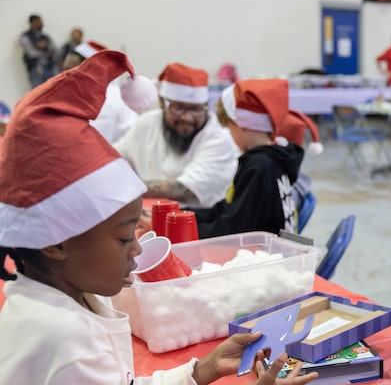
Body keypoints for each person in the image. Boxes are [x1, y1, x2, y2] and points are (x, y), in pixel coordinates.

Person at [0, 50, 318, 385]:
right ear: (56, 243)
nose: (138, 248)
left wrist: (203, 370)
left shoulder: (53, 300)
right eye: (124, 237)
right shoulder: (62, 339)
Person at [192, 80, 322, 238]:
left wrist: (187, 230)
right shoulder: (274, 157)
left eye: (230, 129)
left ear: (242, 123)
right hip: (273, 247)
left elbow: (232, 231)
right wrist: (186, 216)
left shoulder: (260, 166)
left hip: (269, 252)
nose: (230, 135)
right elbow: (229, 208)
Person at [115, 62, 238, 208]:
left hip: (199, 219)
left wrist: (130, 186)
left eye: (196, 109)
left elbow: (186, 190)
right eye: (179, 108)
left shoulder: (219, 137)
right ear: (162, 103)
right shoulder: (146, 124)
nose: (187, 118)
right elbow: (115, 158)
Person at [64, 40, 139, 143]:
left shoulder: (105, 100)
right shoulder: (89, 95)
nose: (62, 77)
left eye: (69, 72)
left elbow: (92, 145)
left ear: (88, 72)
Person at [19, 14, 58, 89]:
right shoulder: (25, 36)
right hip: (36, 70)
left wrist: (45, 46)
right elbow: (31, 53)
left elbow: (54, 50)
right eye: (39, 21)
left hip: (50, 68)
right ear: (33, 22)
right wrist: (45, 51)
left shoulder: (45, 36)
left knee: (55, 90)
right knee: (39, 91)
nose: (41, 23)